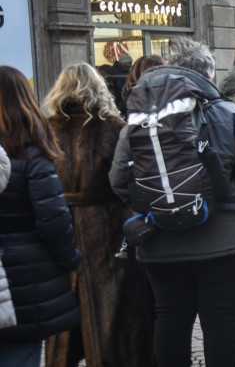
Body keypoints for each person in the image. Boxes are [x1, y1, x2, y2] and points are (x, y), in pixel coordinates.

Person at [109, 38, 235, 367]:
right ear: (209, 75)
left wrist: (157, 206)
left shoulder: (139, 122)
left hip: (159, 243)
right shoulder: (229, 114)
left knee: (170, 320)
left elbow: (118, 179)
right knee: (222, 324)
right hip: (225, 243)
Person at [43, 63, 153, 367]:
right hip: (108, 225)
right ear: (98, 88)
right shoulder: (114, 127)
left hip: (61, 223)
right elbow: (132, 179)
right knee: (113, 305)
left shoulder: (46, 129)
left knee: (64, 304)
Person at [0, 66, 82, 367]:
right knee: (20, 353)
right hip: (26, 276)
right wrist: (70, 258)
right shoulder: (30, 152)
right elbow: (53, 219)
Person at [102, 41, 134, 116]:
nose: (130, 65)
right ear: (124, 63)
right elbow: (120, 87)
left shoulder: (119, 70)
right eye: (129, 63)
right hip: (120, 96)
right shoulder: (119, 72)